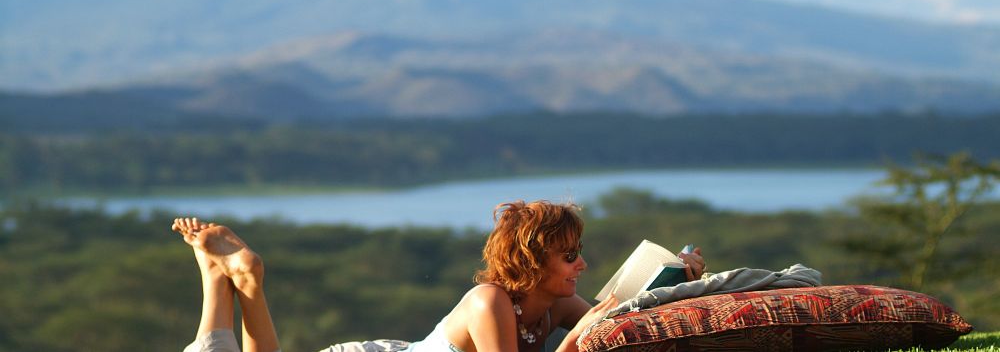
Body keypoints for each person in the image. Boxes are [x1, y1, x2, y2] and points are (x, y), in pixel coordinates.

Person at [172, 200, 706, 352]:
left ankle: (221, 275)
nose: (582, 265)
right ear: (533, 262)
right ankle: (238, 279)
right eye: (570, 257)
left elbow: (616, 313)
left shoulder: (555, 308)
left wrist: (676, 278)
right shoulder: (489, 302)